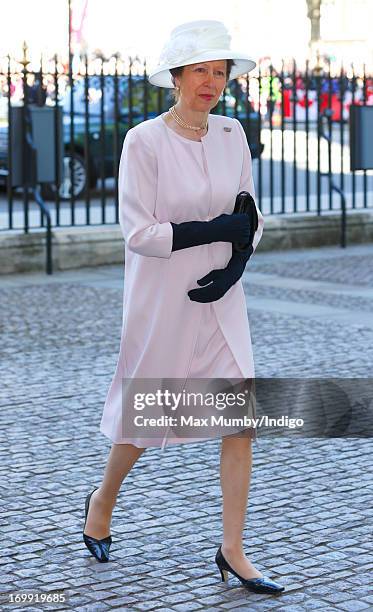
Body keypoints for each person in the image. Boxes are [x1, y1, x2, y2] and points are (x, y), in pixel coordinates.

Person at [82, 19, 284, 596]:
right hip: (164, 298)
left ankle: (234, 549)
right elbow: (139, 233)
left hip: (224, 298)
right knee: (146, 418)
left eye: (219, 71)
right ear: (175, 76)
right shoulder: (142, 141)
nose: (211, 82)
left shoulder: (232, 134)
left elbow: (250, 215)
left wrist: (236, 260)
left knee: (241, 421)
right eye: (200, 70)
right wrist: (207, 231)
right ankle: (102, 501)